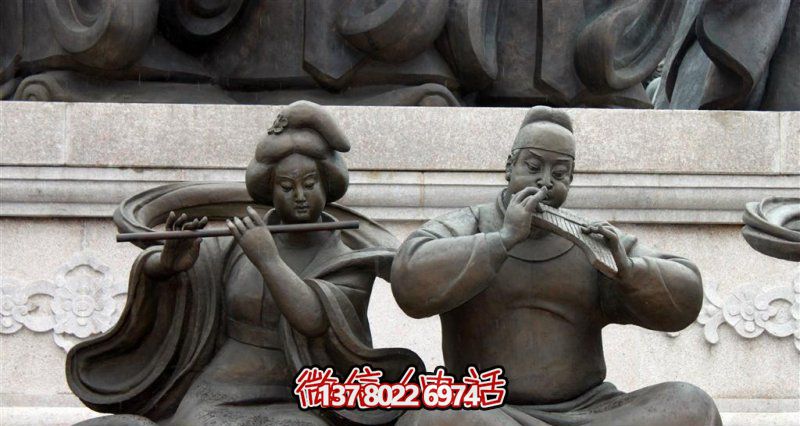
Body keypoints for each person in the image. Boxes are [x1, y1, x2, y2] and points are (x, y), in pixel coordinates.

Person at [67, 101, 422, 425]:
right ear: (270, 191)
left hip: (302, 396)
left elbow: (313, 319)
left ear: (327, 186)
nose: (299, 196)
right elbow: (181, 275)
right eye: (286, 187)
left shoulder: (348, 261)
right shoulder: (236, 244)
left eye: (310, 184)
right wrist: (168, 264)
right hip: (223, 386)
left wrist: (268, 260)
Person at [391, 106, 722, 426]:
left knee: (692, 405)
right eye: (533, 167)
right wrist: (503, 240)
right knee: (439, 417)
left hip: (588, 411)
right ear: (509, 167)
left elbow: (686, 294)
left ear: (571, 179)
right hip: (489, 410)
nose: (545, 182)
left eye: (559, 174)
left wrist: (629, 271)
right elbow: (410, 278)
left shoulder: (590, 238)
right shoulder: (469, 223)